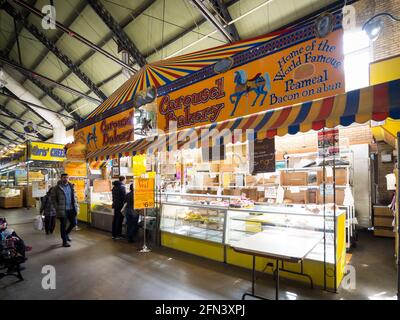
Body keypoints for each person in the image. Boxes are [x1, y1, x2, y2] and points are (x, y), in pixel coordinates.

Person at [51, 173, 79, 248]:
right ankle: (64, 241)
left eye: (67, 177)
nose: (65, 179)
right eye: (64, 177)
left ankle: (66, 234)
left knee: (73, 223)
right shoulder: (56, 188)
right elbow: (53, 199)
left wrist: (76, 206)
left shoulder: (71, 186)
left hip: (71, 209)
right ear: (61, 178)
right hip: (62, 209)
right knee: (63, 225)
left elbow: (75, 198)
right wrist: (57, 207)